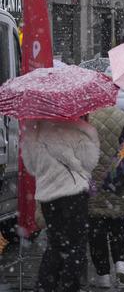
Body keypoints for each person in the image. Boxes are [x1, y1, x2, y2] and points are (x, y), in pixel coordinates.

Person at [22, 119, 99, 291]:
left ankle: (45, 285)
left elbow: (31, 167)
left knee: (55, 245)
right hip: (73, 194)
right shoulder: (77, 128)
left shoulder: (33, 132)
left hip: (48, 197)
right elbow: (90, 161)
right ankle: (69, 286)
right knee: (76, 246)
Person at [87, 106, 124, 288]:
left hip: (94, 180)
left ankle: (103, 274)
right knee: (117, 222)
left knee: (96, 226)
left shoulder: (88, 120)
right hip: (117, 178)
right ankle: (121, 261)